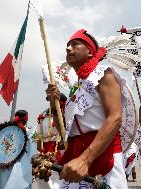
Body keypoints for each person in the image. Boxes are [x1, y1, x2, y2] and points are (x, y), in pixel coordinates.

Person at [46, 29, 128, 188]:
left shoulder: (104, 74)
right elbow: (62, 130)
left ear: (90, 51)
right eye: (67, 46)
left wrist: (85, 160)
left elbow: (115, 118)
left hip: (102, 158)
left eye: (75, 44)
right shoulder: (76, 88)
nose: (68, 49)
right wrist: (53, 102)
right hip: (75, 160)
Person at [0, 110, 37, 189]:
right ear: (26, 120)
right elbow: (32, 152)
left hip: (2, 167)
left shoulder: (5, 131)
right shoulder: (28, 134)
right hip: (19, 169)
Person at [36, 94, 67, 189]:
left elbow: (38, 143)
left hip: (43, 154)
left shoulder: (42, 117)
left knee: (44, 182)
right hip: (58, 154)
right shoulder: (65, 116)